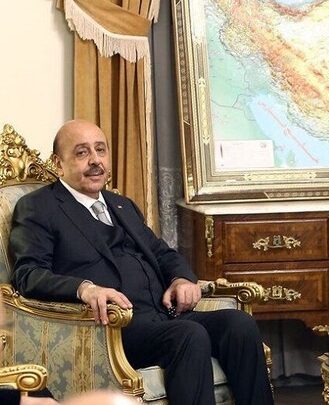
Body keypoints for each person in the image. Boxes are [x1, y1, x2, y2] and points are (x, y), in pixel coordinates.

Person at [9, 120, 273, 405]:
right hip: (112, 329)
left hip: (163, 316)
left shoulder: (120, 204)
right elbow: (28, 274)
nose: (95, 160)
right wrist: (85, 289)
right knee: (189, 334)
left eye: (100, 150)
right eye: (82, 152)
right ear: (58, 164)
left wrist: (181, 279)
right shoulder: (39, 207)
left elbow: (161, 252)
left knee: (239, 324)